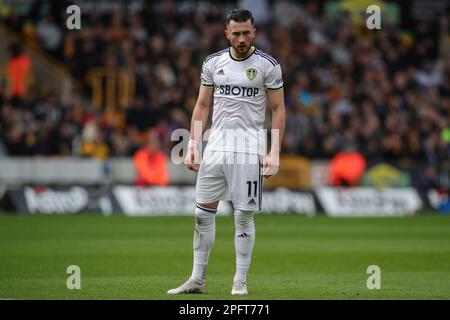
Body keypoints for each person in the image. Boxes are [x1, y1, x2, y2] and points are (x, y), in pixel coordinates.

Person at [167, 9, 285, 295]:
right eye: (236, 33)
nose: (242, 38)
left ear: (254, 32)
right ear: (227, 33)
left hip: (248, 150)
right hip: (216, 146)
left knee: (243, 217)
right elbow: (202, 105)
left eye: (247, 32)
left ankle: (239, 283)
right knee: (202, 215)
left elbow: (278, 109)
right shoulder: (213, 63)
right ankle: (197, 280)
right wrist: (193, 144)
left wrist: (274, 151)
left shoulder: (268, 66)